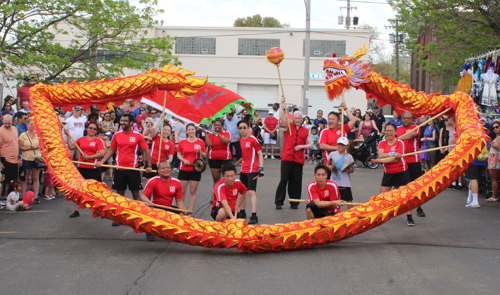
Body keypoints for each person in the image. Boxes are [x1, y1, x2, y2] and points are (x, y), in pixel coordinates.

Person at [97, 114, 152, 225]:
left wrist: (148, 166)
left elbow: (146, 150)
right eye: (121, 120)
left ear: (131, 123)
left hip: (133, 169)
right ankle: (119, 217)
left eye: (125, 121)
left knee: (135, 194)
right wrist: (102, 162)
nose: (122, 122)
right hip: (119, 168)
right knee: (120, 194)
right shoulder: (117, 135)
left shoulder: (138, 136)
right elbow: (111, 150)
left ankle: (138, 216)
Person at [275, 96, 313, 210]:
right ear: (293, 118)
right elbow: (281, 116)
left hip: (298, 159)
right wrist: (282, 103)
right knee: (284, 179)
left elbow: (311, 144)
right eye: (295, 118)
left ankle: (294, 201)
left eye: (299, 118)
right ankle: (279, 201)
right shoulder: (289, 126)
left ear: (302, 119)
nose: (297, 120)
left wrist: (302, 146)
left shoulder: (306, 130)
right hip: (287, 157)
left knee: (296, 181)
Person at [372, 122, 413, 225]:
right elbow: (381, 155)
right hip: (388, 173)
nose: (389, 133)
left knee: (406, 196)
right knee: (382, 196)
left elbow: (395, 160)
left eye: (391, 130)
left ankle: (409, 216)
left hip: (401, 172)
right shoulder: (382, 143)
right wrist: (392, 154)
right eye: (387, 130)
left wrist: (383, 160)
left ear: (395, 132)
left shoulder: (400, 143)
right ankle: (378, 214)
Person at [141, 161, 192, 241]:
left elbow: (179, 201)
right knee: (148, 213)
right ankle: (149, 231)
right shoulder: (153, 181)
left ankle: (179, 232)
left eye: (168, 168)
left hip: (168, 207)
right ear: (158, 171)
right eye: (163, 168)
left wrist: (184, 211)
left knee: (186, 217)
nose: (166, 169)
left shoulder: (176, 182)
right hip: (155, 207)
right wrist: (149, 203)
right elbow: (143, 196)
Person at [65, 121, 106, 217]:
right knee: (79, 190)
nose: (92, 130)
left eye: (94, 129)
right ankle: (76, 210)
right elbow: (71, 147)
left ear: (96, 131)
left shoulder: (98, 140)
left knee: (97, 190)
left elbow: (102, 153)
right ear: (87, 129)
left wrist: (90, 157)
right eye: (90, 128)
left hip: (93, 168)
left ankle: (100, 210)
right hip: (81, 168)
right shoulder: (81, 139)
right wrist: (68, 135)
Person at [397, 111, 426, 219]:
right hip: (401, 161)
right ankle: (405, 208)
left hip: (414, 160)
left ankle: (418, 206)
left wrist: (397, 138)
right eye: (404, 118)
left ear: (412, 119)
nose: (406, 120)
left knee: (416, 186)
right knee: (403, 185)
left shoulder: (416, 127)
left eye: (408, 118)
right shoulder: (397, 129)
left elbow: (412, 135)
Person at [235, 120, 264, 224]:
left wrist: (261, 168)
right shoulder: (242, 140)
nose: (242, 130)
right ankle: (242, 212)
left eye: (244, 127)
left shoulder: (253, 139)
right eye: (240, 128)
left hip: (253, 169)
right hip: (244, 169)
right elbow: (244, 156)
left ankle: (254, 215)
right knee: (242, 191)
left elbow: (260, 154)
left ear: (248, 128)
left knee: (251, 192)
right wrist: (235, 165)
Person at [318, 103, 357, 177]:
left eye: (333, 119)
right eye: (329, 119)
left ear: (338, 121)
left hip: (344, 165)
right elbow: (322, 145)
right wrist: (338, 148)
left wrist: (346, 109)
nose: (330, 121)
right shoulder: (325, 131)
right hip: (330, 165)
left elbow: (353, 120)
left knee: (343, 186)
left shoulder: (343, 129)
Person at [177, 123, 207, 212]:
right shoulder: (182, 142)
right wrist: (183, 160)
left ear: (195, 130)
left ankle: (190, 210)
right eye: (189, 129)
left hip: (196, 169)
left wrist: (200, 151)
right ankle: (182, 210)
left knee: (193, 191)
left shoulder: (200, 142)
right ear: (186, 131)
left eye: (192, 129)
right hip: (184, 169)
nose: (191, 131)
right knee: (182, 192)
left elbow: (204, 155)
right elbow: (178, 154)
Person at [326, 137, 355, 209]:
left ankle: (351, 215)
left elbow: (352, 169)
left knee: (349, 200)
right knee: (333, 200)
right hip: (334, 181)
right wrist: (329, 167)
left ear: (346, 146)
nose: (341, 147)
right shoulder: (332, 154)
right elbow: (328, 163)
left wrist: (350, 169)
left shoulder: (349, 157)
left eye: (343, 145)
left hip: (345, 182)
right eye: (339, 144)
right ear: (337, 144)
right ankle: (332, 214)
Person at [19, 118, 42, 198]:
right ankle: (24, 195)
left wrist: (35, 147)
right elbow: (21, 147)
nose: (33, 126)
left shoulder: (38, 134)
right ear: (27, 124)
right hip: (26, 158)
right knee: (26, 177)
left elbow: (42, 145)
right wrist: (30, 148)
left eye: (34, 124)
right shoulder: (23, 135)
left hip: (36, 159)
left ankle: (35, 196)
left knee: (35, 178)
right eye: (31, 124)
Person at [205, 119, 232, 187]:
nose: (217, 126)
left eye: (219, 125)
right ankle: (216, 196)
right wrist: (206, 133)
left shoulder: (227, 133)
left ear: (222, 126)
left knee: (226, 179)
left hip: (225, 159)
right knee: (216, 179)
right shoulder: (211, 134)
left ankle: (225, 195)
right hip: (213, 159)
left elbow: (225, 141)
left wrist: (218, 135)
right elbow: (209, 144)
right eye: (216, 125)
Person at [0, 114, 21, 203]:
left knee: (14, 179)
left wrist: (19, 157)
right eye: (5, 123)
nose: (7, 125)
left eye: (9, 123)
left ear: (12, 122)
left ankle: (11, 197)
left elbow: (17, 143)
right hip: (5, 158)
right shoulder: (0, 131)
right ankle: (5, 197)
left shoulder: (15, 129)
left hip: (15, 158)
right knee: (7, 180)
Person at [486, 121, 500, 202]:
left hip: (495, 158)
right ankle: (495, 196)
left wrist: (491, 143)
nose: (495, 129)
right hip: (493, 157)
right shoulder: (496, 136)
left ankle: (495, 197)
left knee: (494, 178)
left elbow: (498, 146)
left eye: (497, 127)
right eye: (493, 128)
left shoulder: (498, 137)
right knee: (494, 178)